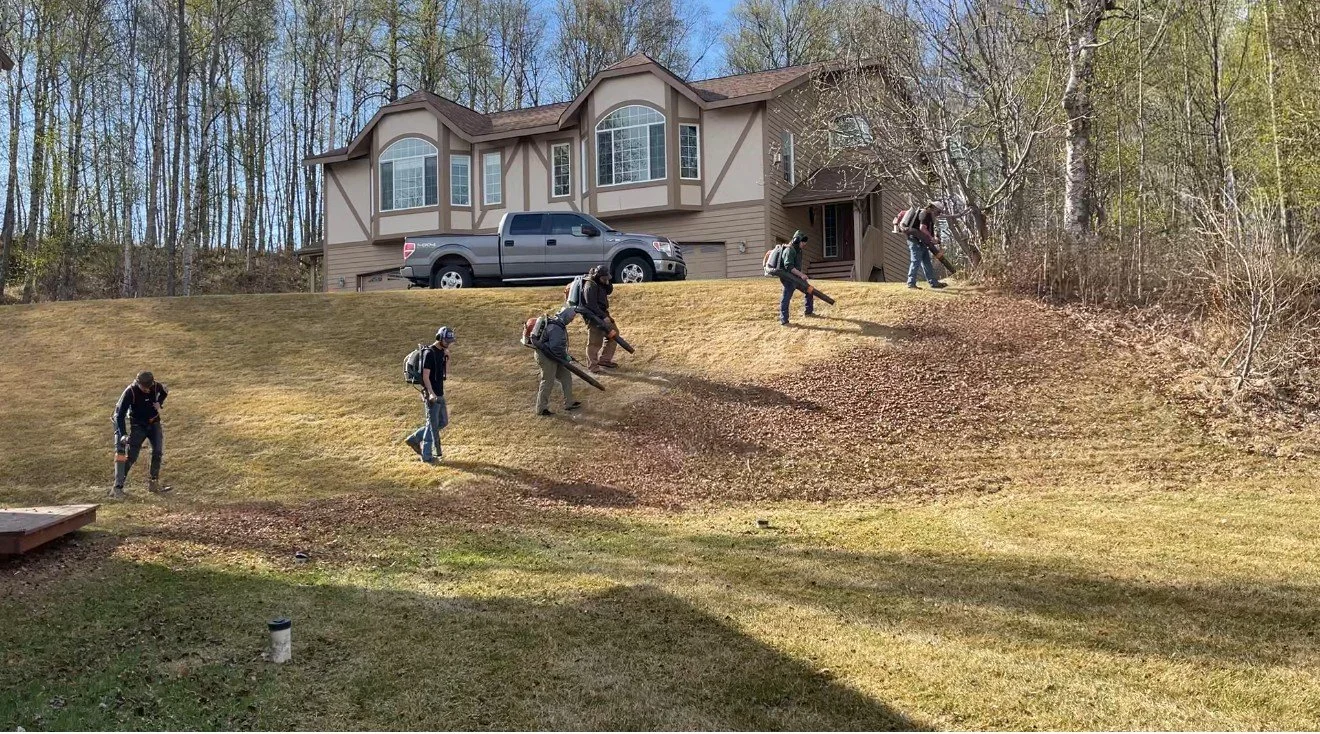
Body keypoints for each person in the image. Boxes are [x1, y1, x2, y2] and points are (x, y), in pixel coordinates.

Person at [111, 371, 171, 498]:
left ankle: (153, 483)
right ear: (138, 384)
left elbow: (165, 391)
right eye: (145, 388)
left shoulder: (155, 386)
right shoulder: (130, 392)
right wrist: (123, 434)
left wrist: (159, 402)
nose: (147, 390)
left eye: (149, 387)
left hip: (154, 423)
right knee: (131, 456)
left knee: (158, 452)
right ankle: (118, 487)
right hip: (138, 426)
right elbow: (120, 415)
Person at [404, 326, 455, 464]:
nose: (448, 343)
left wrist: (448, 359)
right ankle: (426, 457)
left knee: (442, 422)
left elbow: (444, 375)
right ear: (439, 338)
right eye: (446, 340)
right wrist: (431, 394)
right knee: (432, 426)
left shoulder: (441, 352)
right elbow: (426, 377)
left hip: (439, 392)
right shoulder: (429, 354)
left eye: (450, 341)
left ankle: (414, 439)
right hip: (432, 395)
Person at [534, 307, 582, 416]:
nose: (572, 320)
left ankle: (569, 402)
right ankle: (541, 409)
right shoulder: (556, 328)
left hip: (552, 355)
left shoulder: (557, 324)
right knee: (547, 381)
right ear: (566, 316)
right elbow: (555, 348)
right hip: (546, 357)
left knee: (565, 376)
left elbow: (555, 348)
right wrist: (566, 357)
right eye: (571, 318)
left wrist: (565, 357)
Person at [580, 266, 619, 373]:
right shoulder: (590, 286)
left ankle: (605, 360)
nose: (607, 279)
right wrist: (603, 316)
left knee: (614, 335)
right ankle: (593, 367)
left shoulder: (601, 283)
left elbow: (609, 291)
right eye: (605, 278)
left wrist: (607, 283)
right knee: (594, 343)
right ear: (598, 276)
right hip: (593, 317)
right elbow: (591, 305)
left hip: (602, 313)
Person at [905, 201, 948, 290]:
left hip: (921, 241)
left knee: (927, 262)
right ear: (933, 208)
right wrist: (932, 239)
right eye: (938, 211)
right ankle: (911, 283)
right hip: (915, 240)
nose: (938, 214)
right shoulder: (926, 214)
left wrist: (933, 237)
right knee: (915, 261)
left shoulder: (929, 216)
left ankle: (934, 283)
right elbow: (922, 228)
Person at [778, 230, 815, 326]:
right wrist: (801, 275)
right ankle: (784, 320)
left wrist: (801, 276)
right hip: (788, 278)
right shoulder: (789, 250)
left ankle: (809, 312)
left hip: (796, 278)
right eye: (802, 242)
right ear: (796, 240)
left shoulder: (799, 251)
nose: (804, 244)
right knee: (786, 298)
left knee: (810, 290)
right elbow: (789, 267)